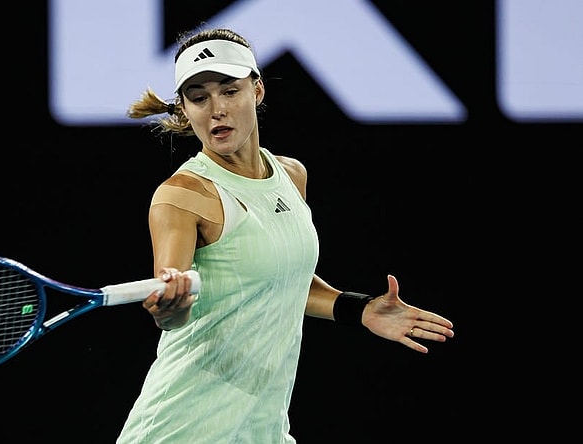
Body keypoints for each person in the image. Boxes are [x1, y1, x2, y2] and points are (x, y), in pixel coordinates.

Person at [116, 27, 455, 444]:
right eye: (199, 97)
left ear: (257, 91)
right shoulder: (182, 195)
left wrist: (357, 309)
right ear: (185, 110)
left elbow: (277, 279)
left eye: (229, 90)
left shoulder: (291, 176)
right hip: (184, 427)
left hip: (263, 428)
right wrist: (170, 308)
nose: (216, 109)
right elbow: (172, 301)